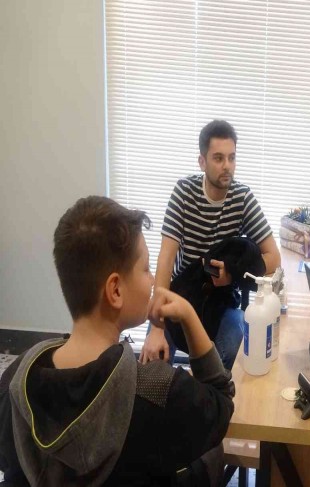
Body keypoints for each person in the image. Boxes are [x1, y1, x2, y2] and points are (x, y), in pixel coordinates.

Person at [0, 196, 235, 485]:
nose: (153, 281)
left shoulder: (14, 381)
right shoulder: (158, 391)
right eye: (146, 269)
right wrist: (189, 316)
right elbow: (221, 404)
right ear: (115, 291)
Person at [141, 120, 281, 368]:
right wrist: (157, 327)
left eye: (231, 158)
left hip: (220, 300)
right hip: (181, 294)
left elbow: (273, 257)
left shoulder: (242, 198)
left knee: (235, 345)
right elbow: (166, 258)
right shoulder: (184, 192)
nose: (227, 166)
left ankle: (211, 391)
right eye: (218, 158)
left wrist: (233, 274)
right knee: (153, 362)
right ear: (202, 162)